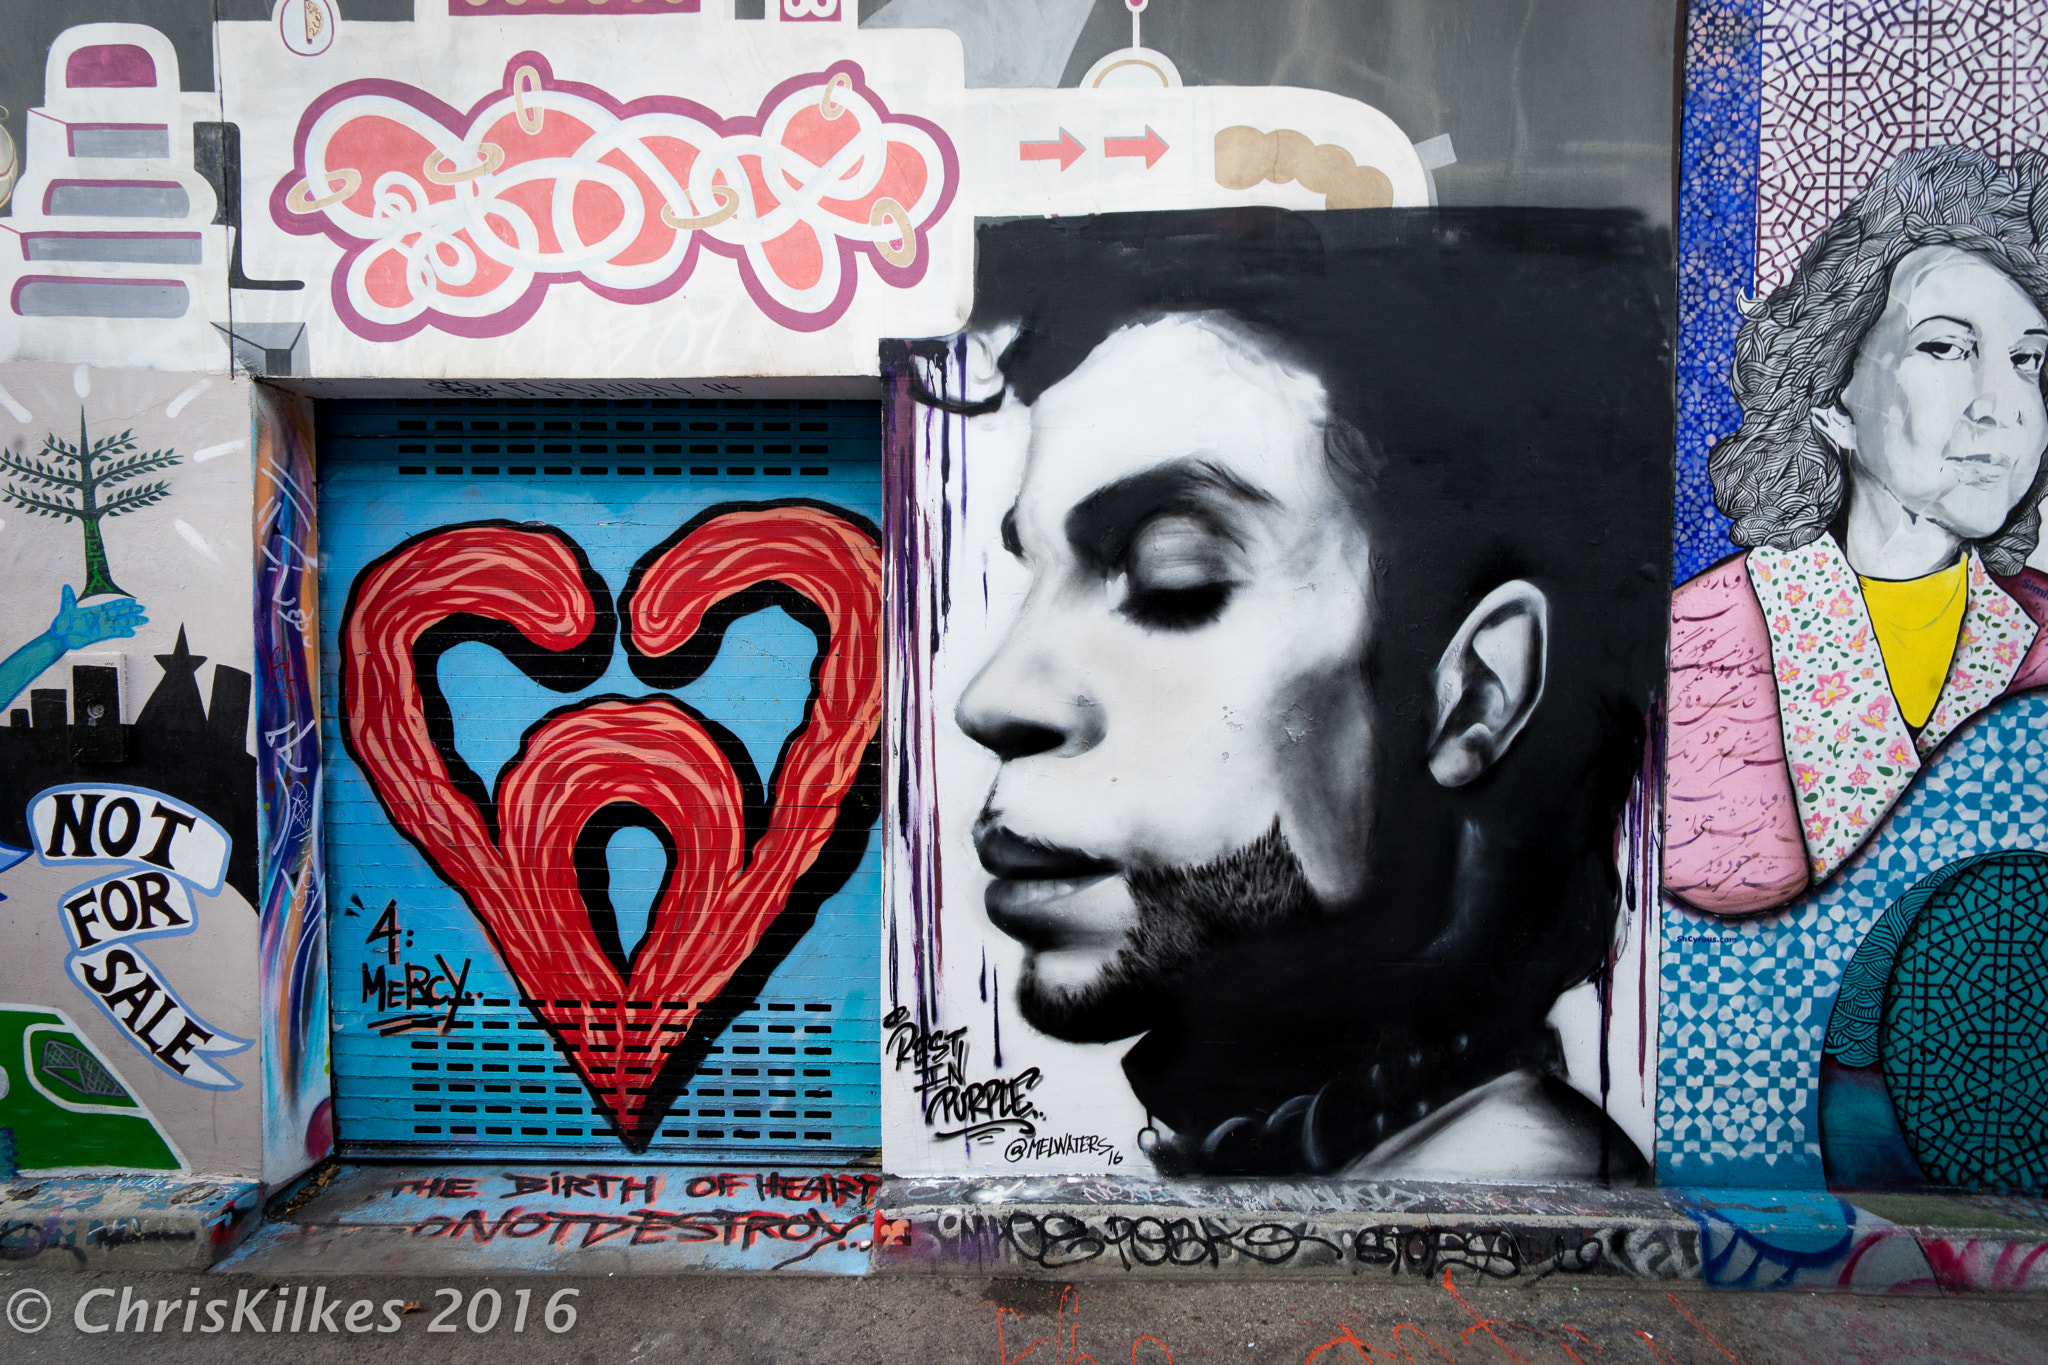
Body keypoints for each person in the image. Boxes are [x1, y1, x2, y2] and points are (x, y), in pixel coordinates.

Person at [921, 208, 1671, 1179]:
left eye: (1175, 577)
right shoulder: (1319, 1165)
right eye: (1035, 575)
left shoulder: (1515, 1222)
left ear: (1475, 694)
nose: (993, 699)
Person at [1666, 147, 2048, 918]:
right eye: (1946, 347)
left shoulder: (2038, 629)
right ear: (1831, 396)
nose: (2001, 405)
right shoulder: (1701, 635)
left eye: (2027, 359)